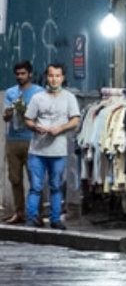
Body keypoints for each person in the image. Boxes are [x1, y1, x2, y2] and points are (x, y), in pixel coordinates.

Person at [22, 64, 80, 230]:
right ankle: (32, 218)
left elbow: (75, 119)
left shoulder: (69, 98)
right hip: (37, 150)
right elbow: (28, 119)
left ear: (62, 78)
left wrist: (61, 128)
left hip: (58, 150)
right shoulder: (37, 98)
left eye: (57, 76)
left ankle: (55, 219)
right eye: (51, 75)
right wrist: (35, 127)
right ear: (46, 77)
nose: (54, 79)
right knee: (36, 187)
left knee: (56, 186)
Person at [3, 61, 43, 224]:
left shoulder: (38, 92)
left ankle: (36, 214)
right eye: (18, 74)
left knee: (34, 178)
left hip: (32, 140)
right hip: (13, 139)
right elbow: (5, 118)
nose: (20, 77)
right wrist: (8, 113)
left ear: (30, 74)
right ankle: (19, 212)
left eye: (23, 74)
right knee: (15, 179)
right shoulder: (11, 92)